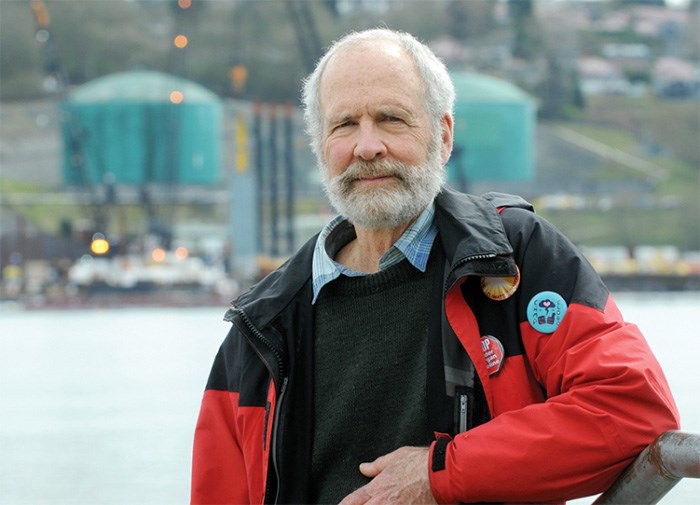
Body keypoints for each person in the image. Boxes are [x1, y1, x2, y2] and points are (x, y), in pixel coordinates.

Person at [191, 28, 679, 504]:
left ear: (443, 136)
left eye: (391, 119)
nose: (367, 146)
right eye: (344, 125)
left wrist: (440, 473)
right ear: (321, 148)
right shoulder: (261, 329)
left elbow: (633, 409)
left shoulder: (515, 259)